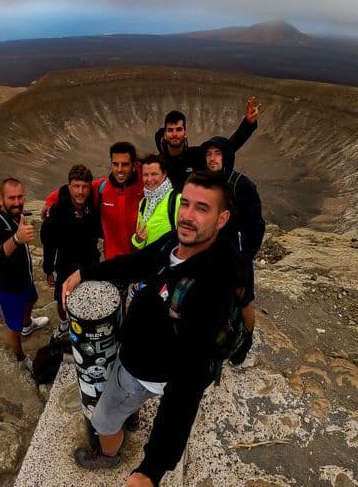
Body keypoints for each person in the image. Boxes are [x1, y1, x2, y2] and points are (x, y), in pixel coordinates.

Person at [62, 170, 242, 486]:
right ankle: (127, 415)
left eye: (202, 208)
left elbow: (187, 386)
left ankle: (107, 456)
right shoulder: (179, 240)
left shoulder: (208, 289)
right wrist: (86, 273)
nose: (187, 215)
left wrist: (151, 469)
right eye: (185, 203)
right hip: (140, 352)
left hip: (142, 370)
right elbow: (141, 261)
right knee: (120, 404)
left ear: (222, 218)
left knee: (103, 421)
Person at [201, 136, 265, 365]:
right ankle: (221, 338)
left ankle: (245, 341)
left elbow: (257, 226)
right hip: (213, 257)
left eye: (217, 153)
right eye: (209, 154)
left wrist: (245, 259)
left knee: (244, 301)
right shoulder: (207, 183)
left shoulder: (242, 185)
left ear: (226, 156)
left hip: (238, 258)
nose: (212, 158)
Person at [0, 178, 49, 371]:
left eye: (20, 197)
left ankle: (28, 324)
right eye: (12, 198)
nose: (17, 202)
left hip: (23, 280)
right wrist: (17, 240)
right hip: (9, 287)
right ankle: (20, 359)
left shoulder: (14, 215)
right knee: (13, 327)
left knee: (32, 299)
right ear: (1, 198)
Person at [45, 141, 143, 260]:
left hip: (141, 258)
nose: (119, 169)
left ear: (133, 166)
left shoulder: (143, 187)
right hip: (113, 262)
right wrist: (50, 200)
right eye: (115, 164)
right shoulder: (102, 188)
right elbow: (73, 189)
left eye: (125, 164)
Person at [40, 164, 102, 340]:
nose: (80, 192)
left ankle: (87, 323)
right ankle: (66, 324)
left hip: (90, 260)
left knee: (90, 297)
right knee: (62, 299)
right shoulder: (57, 214)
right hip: (66, 262)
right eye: (76, 186)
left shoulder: (92, 206)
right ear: (69, 187)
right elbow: (49, 243)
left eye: (84, 187)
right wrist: (48, 269)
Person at [154, 96, 261, 191]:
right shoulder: (158, 164)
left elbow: (228, 147)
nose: (174, 134)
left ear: (185, 133)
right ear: (165, 134)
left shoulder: (196, 156)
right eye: (170, 130)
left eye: (178, 129)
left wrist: (248, 124)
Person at [131, 154, 180, 250]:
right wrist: (138, 239)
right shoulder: (144, 202)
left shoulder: (177, 200)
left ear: (164, 174)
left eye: (154, 174)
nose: (149, 179)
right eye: (145, 175)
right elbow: (140, 238)